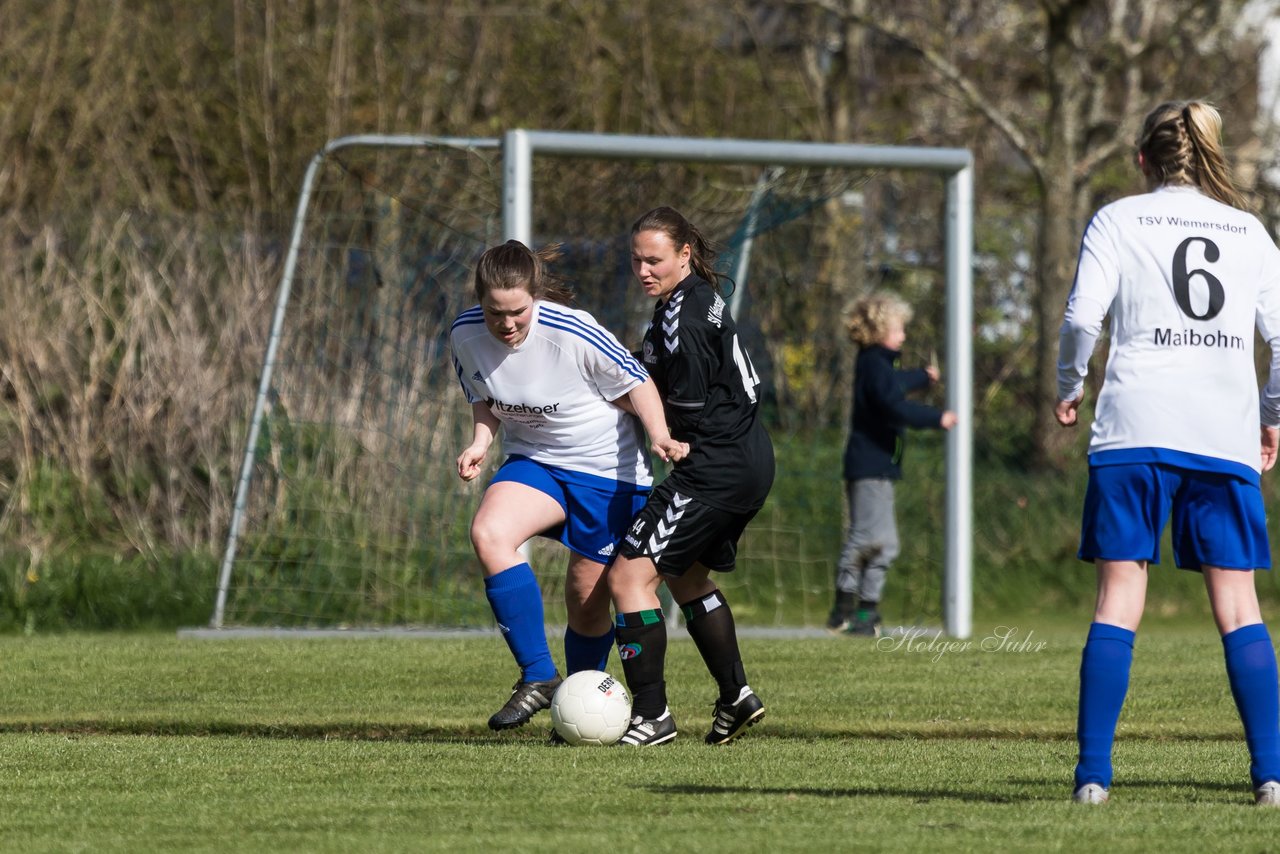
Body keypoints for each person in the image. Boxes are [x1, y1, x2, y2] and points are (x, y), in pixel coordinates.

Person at [1056, 100, 1280, 806]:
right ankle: (1272, 775)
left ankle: (1093, 779)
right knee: (1240, 606)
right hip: (1222, 433)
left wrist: (1069, 386)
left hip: (1134, 427)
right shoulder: (1249, 231)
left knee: (1119, 598)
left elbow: (1080, 317)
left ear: (1145, 161)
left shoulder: (1119, 219)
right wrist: (1271, 419)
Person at [450, 239, 687, 733]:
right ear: (480, 303)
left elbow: (639, 382)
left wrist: (661, 435)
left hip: (607, 469)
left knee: (585, 596)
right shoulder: (465, 333)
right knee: (489, 533)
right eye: (496, 313)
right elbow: (484, 397)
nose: (508, 324)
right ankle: (537, 677)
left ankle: (578, 708)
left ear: (535, 297)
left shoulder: (572, 330)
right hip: (535, 461)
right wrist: (479, 442)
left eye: (518, 312)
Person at [606, 206, 774, 746]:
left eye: (653, 260)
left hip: (713, 467)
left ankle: (652, 716)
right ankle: (736, 697)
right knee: (685, 577)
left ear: (685, 254)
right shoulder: (691, 300)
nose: (643, 270)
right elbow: (648, 368)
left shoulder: (687, 318)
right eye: (636, 260)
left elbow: (680, 405)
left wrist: (615, 401)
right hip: (749, 460)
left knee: (629, 578)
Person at [828, 293, 957, 636]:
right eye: (899, 328)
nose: (903, 335)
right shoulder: (873, 363)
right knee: (866, 540)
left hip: (880, 467)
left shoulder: (880, 364)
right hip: (869, 466)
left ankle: (865, 615)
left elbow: (894, 385)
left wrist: (922, 377)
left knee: (885, 543)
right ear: (881, 329)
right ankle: (843, 608)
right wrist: (937, 417)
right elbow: (893, 404)